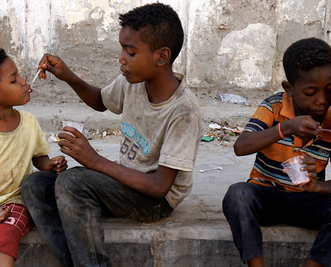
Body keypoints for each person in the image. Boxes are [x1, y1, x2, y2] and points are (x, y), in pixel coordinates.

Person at [21, 3, 203, 267]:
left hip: (154, 200)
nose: (121, 58)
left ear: (161, 56)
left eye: (130, 52)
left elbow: (159, 187)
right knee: (34, 186)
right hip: (125, 183)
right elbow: (100, 100)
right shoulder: (134, 82)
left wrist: (93, 160)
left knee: (73, 182)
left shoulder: (184, 110)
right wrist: (69, 76)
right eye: (122, 49)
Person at [222, 37, 331, 267]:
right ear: (289, 88)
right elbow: (241, 146)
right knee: (237, 195)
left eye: (328, 90)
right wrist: (284, 128)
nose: (321, 100)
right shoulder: (274, 107)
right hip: (266, 195)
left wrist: (316, 186)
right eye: (310, 92)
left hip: (308, 200)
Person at [0, 48, 67, 267]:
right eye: (13, 80)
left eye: (19, 75)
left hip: (15, 202)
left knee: (5, 236)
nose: (23, 81)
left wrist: (51, 165)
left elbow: (39, 158)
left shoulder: (28, 122)